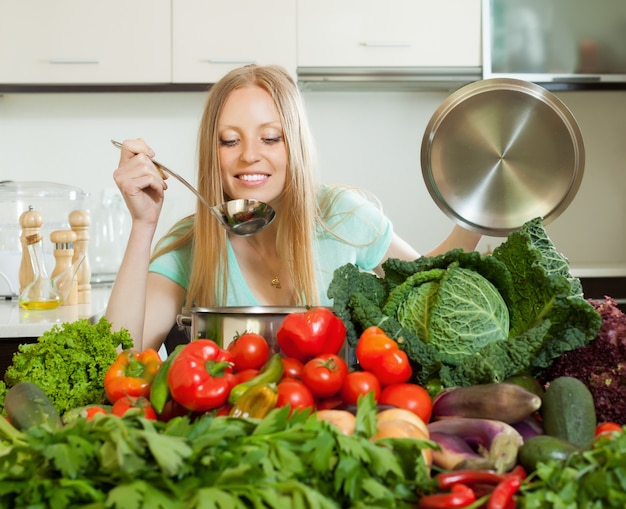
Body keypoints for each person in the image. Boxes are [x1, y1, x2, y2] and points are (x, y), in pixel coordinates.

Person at [106, 64, 480, 352]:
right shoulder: (194, 242)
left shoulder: (340, 217)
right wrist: (144, 222)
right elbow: (121, 352)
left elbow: (427, 284)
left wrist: (477, 211)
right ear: (212, 153)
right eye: (230, 140)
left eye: (270, 138)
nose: (249, 155)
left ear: (295, 145)